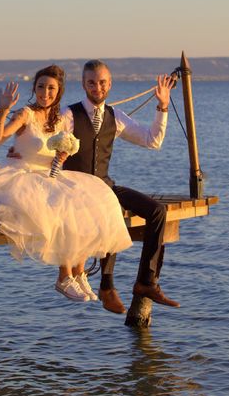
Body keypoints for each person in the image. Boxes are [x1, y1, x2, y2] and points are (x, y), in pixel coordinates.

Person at [0, 65, 132, 302]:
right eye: (41, 87)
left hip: (47, 175)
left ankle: (79, 272)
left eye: (51, 88)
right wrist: (4, 110)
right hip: (21, 175)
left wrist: (61, 156)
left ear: (58, 92)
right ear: (34, 88)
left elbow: (56, 154)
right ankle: (63, 276)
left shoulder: (59, 119)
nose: (45, 93)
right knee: (62, 208)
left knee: (92, 199)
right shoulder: (26, 114)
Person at [61, 59, 178, 314]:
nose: (97, 87)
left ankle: (146, 282)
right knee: (110, 207)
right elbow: (49, 146)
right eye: (91, 82)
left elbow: (152, 140)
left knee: (157, 211)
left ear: (110, 84)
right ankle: (107, 285)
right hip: (76, 188)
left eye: (102, 82)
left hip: (104, 184)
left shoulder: (116, 116)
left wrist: (163, 105)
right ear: (83, 84)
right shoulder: (69, 115)